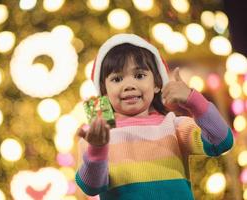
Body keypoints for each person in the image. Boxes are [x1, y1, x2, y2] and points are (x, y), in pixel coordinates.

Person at [75, 33, 233, 200]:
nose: (129, 85)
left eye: (139, 75)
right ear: (104, 90)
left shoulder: (174, 126)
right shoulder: (96, 138)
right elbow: (91, 187)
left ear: (157, 83)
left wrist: (194, 101)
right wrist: (97, 151)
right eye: (117, 78)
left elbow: (222, 141)